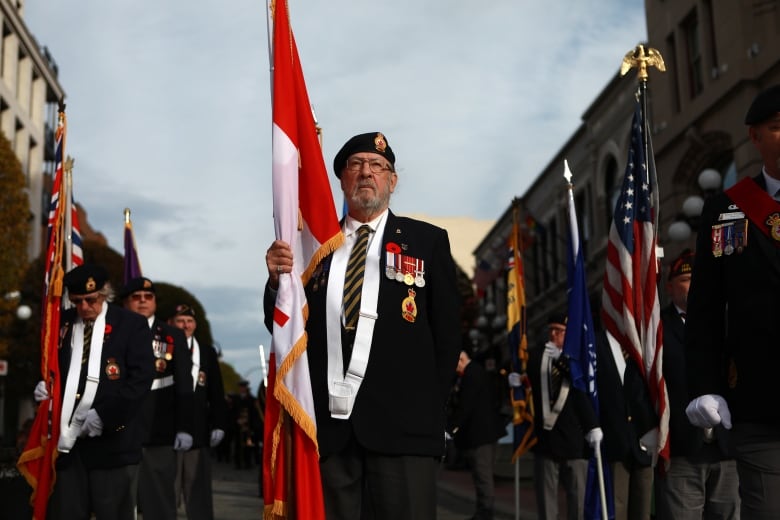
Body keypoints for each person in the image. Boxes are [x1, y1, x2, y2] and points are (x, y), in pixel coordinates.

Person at [264, 131, 461, 518]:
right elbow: (283, 328)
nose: (367, 173)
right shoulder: (313, 246)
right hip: (327, 432)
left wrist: (429, 409)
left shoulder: (427, 242)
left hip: (405, 429)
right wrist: (275, 282)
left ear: (393, 180)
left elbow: (447, 336)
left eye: (377, 166)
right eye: (356, 165)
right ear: (341, 179)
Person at [685, 84, 780, 519]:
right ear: (754, 136)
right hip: (761, 403)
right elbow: (704, 308)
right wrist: (705, 384)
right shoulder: (726, 210)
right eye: (778, 127)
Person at [33, 263, 154, 520]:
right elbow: (49, 363)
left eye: (91, 300)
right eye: (77, 301)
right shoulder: (62, 322)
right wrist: (42, 385)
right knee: (67, 512)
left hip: (112, 443)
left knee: (112, 512)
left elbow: (141, 379)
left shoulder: (130, 324)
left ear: (104, 294)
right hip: (67, 446)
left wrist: (105, 415)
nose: (85, 308)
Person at [655, 250, 740, 519]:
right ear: (670, 287)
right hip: (682, 448)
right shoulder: (658, 329)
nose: (694, 285)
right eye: (686, 279)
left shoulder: (727, 321)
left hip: (726, 447)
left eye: (698, 278)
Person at [120, 276, 195, 520]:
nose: (143, 302)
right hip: (119, 428)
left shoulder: (173, 335)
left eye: (148, 297)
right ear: (125, 302)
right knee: (119, 499)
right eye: (136, 297)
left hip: (159, 429)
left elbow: (184, 385)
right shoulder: (112, 332)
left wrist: (184, 427)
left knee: (160, 501)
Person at [525, 314, 601, 520]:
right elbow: (529, 378)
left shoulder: (578, 357)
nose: (553, 334)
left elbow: (581, 384)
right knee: (546, 498)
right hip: (545, 438)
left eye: (559, 331)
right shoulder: (539, 355)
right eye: (551, 330)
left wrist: (562, 360)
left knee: (577, 497)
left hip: (574, 437)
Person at [169, 303, 228, 520]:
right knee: (166, 495)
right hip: (167, 432)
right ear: (171, 324)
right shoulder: (165, 348)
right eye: (180, 321)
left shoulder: (206, 352)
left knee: (199, 495)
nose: (185, 325)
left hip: (198, 431)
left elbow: (216, 391)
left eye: (189, 321)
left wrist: (220, 424)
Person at [595, 326, 657, 520]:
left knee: (643, 510)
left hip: (645, 440)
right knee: (617, 508)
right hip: (614, 440)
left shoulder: (644, 342)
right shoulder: (595, 344)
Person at [447, 350, 506, 520]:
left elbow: (465, 405)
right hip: (479, 435)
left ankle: (486, 512)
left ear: (461, 360)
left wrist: (451, 428)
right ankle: (483, 510)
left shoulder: (472, 373)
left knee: (483, 476)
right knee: (481, 476)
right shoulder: (472, 372)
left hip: (481, 436)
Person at [231, 380, 260, 470]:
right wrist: (237, 420)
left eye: (243, 387)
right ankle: (238, 463)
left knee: (248, 444)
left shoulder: (252, 399)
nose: (242, 389)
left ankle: (248, 463)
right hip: (238, 426)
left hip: (248, 426)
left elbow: (254, 413)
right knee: (238, 445)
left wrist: (250, 424)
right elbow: (232, 412)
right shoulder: (235, 399)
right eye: (241, 387)